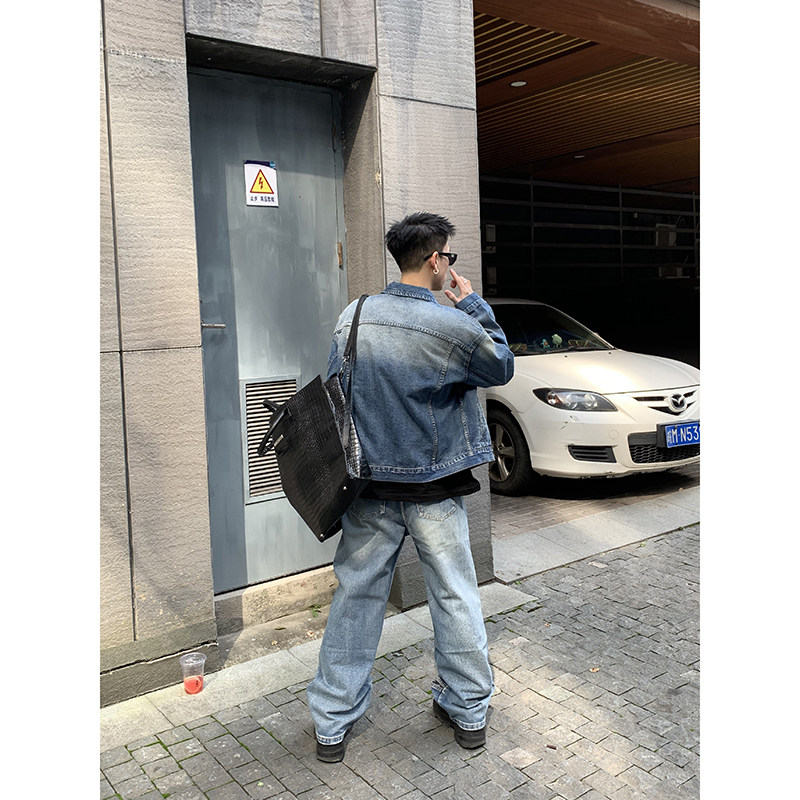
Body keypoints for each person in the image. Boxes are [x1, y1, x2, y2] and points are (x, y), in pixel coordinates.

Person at [306, 212, 514, 762]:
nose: (450, 267)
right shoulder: (452, 325)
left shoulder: (355, 314)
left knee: (356, 597)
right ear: (436, 261)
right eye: (450, 258)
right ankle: (468, 711)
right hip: (434, 489)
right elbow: (501, 366)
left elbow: (339, 386)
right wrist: (473, 305)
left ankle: (331, 721)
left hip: (369, 488)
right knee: (454, 593)